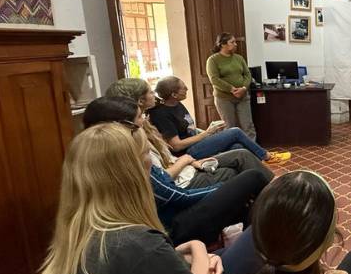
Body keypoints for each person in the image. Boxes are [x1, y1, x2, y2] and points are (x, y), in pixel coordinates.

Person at [32, 123, 351, 274]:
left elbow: (146, 273)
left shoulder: (82, 232)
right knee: (268, 242)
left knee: (258, 242)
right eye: (146, 154)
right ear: (128, 172)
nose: (152, 161)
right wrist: (199, 251)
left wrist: (184, 257)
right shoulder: (138, 246)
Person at [82, 96, 273, 246]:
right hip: (172, 226)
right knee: (250, 178)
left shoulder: (94, 156)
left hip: (167, 218)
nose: (145, 121)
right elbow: (177, 196)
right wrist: (227, 187)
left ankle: (266, 226)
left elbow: (165, 182)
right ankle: (276, 215)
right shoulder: (129, 159)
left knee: (241, 164)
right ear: (125, 127)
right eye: (139, 118)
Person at [148, 76, 290, 163]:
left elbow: (188, 129)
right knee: (235, 132)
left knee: (238, 148)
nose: (186, 88)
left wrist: (209, 132)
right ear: (173, 94)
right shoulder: (161, 114)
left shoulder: (177, 104)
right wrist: (208, 133)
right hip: (186, 153)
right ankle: (266, 156)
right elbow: (177, 145)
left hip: (196, 143)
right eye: (182, 88)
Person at [206, 33, 257, 141]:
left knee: (248, 125)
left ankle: (253, 152)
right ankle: (233, 152)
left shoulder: (239, 58)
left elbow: (247, 74)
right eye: (232, 42)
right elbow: (214, 79)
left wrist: (243, 88)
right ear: (222, 45)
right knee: (230, 127)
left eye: (235, 42)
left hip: (243, 96)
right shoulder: (213, 60)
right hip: (224, 98)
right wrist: (231, 89)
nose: (235, 44)